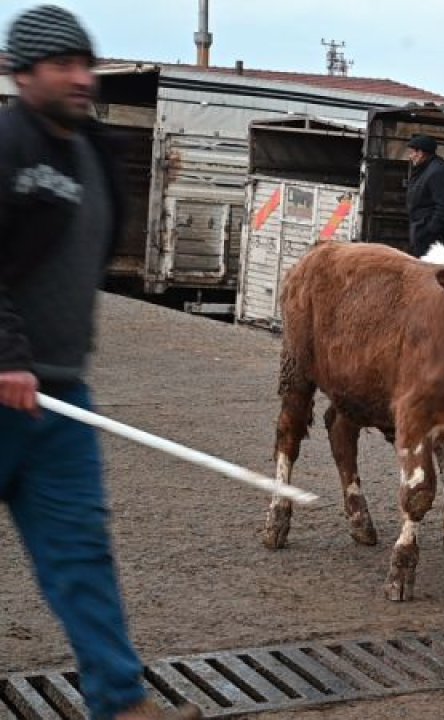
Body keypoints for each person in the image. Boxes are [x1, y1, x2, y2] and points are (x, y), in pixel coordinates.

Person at [0, 6, 202, 719]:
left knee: (82, 554)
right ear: (22, 72)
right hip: (3, 386)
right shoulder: (5, 144)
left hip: (59, 400)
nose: (82, 78)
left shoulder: (93, 151)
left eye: (86, 63)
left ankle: (120, 703)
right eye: (63, 65)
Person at [404, 134, 444, 257]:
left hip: (430, 238)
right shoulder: (426, 169)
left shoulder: (438, 172)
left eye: (412, 152)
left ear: (421, 153)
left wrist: (429, 231)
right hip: (422, 232)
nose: (410, 156)